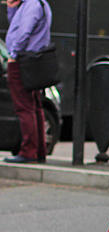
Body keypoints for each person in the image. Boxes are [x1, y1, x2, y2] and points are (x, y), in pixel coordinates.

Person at [3, 0, 52, 164]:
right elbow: (15, 27)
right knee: (35, 106)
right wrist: (11, 8)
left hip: (23, 61)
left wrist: (13, 55)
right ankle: (39, 151)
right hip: (33, 61)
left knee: (24, 107)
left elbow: (23, 32)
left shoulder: (32, 5)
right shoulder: (38, 4)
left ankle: (28, 151)